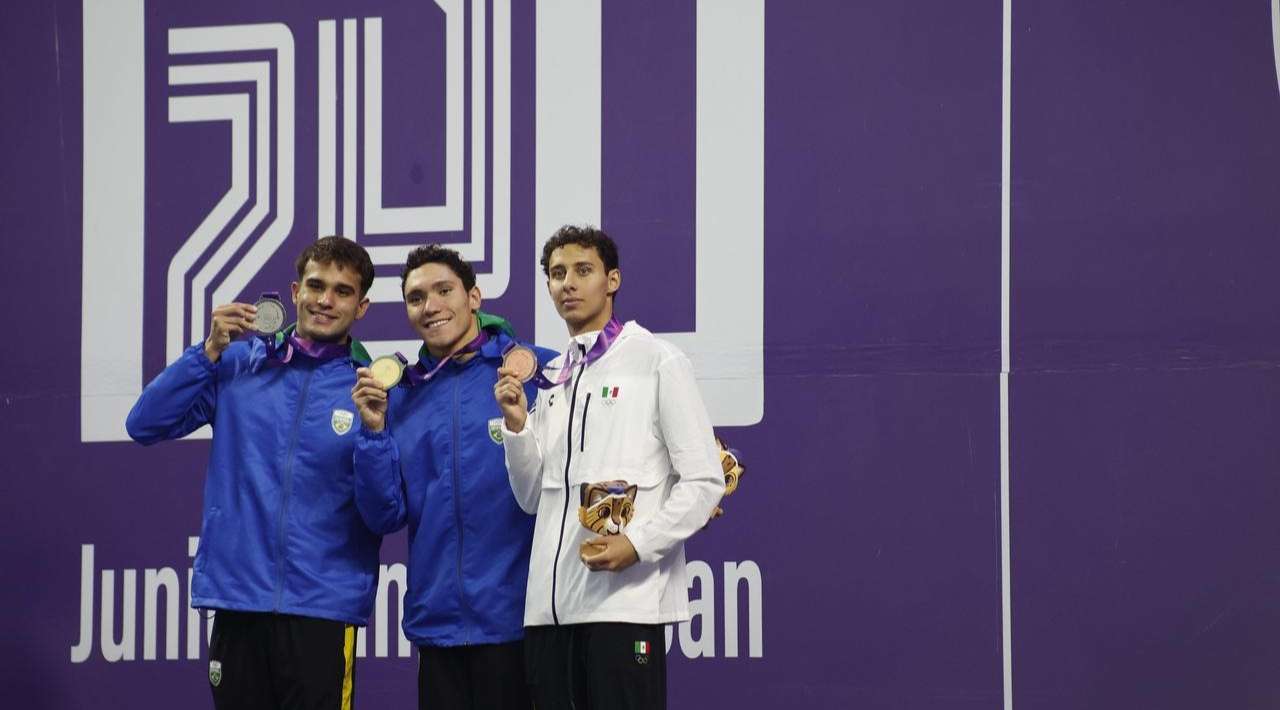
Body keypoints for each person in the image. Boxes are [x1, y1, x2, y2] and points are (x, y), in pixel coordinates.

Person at [126, 236, 380, 710]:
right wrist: (206, 351)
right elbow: (143, 423)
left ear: (361, 306)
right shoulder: (239, 366)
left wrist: (374, 432)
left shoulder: (370, 389)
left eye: (342, 291)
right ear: (294, 290)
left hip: (322, 610)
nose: (325, 300)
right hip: (239, 600)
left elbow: (385, 505)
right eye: (316, 285)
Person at [493, 225, 725, 709]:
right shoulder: (556, 375)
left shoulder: (657, 360)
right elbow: (533, 496)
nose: (568, 284)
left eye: (583, 271)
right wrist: (517, 428)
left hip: (622, 608)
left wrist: (637, 544)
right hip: (548, 614)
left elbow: (705, 481)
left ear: (612, 280)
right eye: (557, 274)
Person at [350, 245, 555, 709]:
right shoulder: (400, 393)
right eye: (416, 297)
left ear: (475, 297)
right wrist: (374, 433)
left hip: (525, 622)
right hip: (440, 627)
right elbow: (384, 514)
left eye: (444, 290)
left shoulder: (537, 372)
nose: (431, 306)